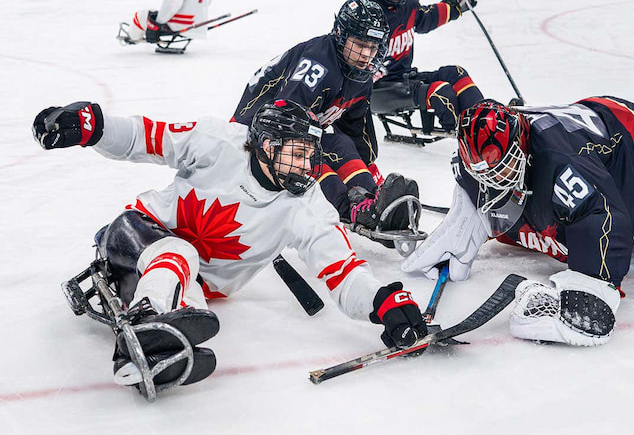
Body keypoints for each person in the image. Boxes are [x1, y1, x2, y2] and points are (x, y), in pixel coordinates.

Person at [32, 99, 427, 390]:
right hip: (135, 236)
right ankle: (148, 318)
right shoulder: (218, 141)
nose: (306, 166)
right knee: (179, 253)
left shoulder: (307, 204)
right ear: (267, 146)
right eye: (297, 153)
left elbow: (343, 270)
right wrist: (93, 127)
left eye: (311, 155)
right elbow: (146, 137)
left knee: (194, 305)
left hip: (195, 284)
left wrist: (382, 303)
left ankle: (160, 341)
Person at [401, 98, 634, 347]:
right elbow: (483, 175)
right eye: (483, 172)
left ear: (522, 149)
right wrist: (467, 214)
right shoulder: (483, 160)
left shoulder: (561, 167)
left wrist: (591, 290)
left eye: (502, 168)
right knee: (526, 230)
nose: (492, 181)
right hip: (592, 134)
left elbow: (603, 215)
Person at [232, 0, 419, 241]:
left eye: (373, 48)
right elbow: (287, 133)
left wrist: (370, 177)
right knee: (306, 152)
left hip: (293, 137)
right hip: (253, 143)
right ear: (340, 35)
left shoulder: (360, 74)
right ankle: (350, 209)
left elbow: (355, 132)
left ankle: (374, 204)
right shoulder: (316, 65)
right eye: (360, 44)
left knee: (340, 144)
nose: (366, 54)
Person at [362, 0, 484, 132]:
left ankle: (482, 122)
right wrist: (366, 72)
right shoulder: (365, 11)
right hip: (377, 90)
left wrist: (454, 6)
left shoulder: (408, 4)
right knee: (442, 93)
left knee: (457, 74)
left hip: (404, 78)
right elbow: (345, 51)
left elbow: (425, 19)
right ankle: (469, 136)